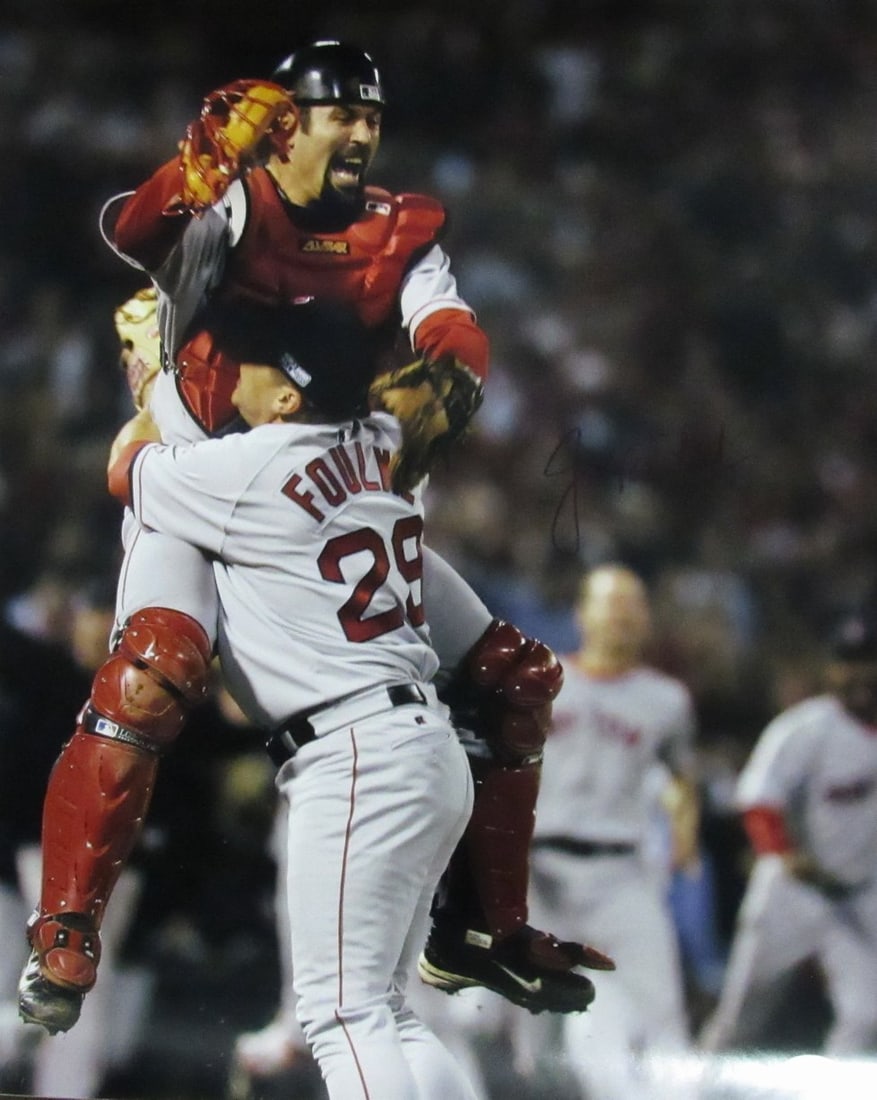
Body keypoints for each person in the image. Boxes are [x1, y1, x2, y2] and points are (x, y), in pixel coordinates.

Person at [19, 40, 603, 1033]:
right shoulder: (235, 202)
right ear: (289, 125)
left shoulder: (398, 228)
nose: (363, 134)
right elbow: (138, 231)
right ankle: (65, 922)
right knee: (150, 672)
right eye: (344, 115)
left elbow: (447, 319)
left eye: (373, 117)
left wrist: (451, 366)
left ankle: (479, 927)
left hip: (318, 490)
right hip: (203, 482)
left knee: (513, 678)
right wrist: (198, 161)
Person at [104, 296, 483, 1099]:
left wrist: (153, 383)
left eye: (250, 359)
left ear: (286, 395)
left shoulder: (249, 468)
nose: (230, 368)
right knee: (388, 1012)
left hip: (354, 754)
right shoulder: (381, 445)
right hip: (423, 744)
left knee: (341, 1015)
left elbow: (126, 466)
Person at [514, 564, 699, 1100]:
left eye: (632, 604)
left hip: (621, 870)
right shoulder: (544, 682)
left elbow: (682, 776)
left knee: (661, 1008)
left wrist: (683, 838)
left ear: (646, 619)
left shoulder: (667, 700)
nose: (620, 614)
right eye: (609, 602)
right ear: (581, 613)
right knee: (533, 1025)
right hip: (539, 869)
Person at [699, 609, 877, 1056]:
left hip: (858, 896)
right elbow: (759, 801)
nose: (861, 672)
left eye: (870, 659)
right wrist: (782, 851)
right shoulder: (807, 727)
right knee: (742, 1016)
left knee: (866, 1016)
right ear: (831, 668)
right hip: (791, 892)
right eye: (849, 660)